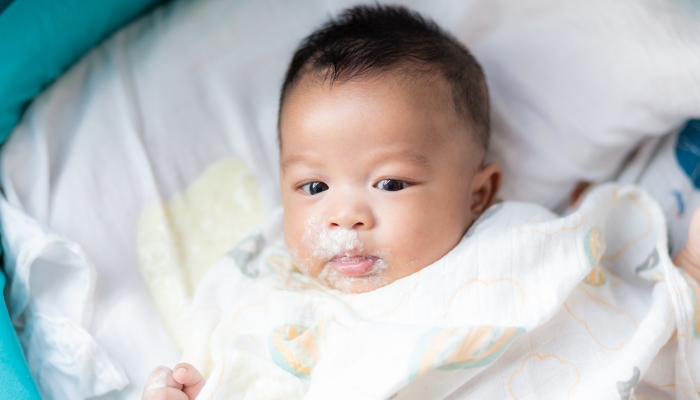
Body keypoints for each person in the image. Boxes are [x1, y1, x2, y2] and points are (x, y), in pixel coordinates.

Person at [142, 5, 700, 399]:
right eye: (313, 187)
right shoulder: (264, 290)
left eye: (389, 183)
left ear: (477, 194)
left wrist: (680, 280)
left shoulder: (512, 249)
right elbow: (242, 372)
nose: (345, 216)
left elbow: (594, 322)